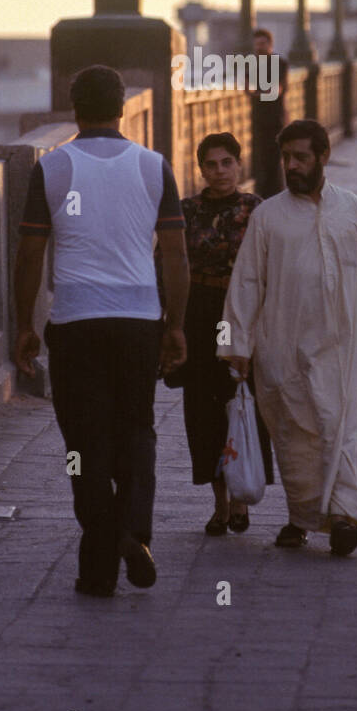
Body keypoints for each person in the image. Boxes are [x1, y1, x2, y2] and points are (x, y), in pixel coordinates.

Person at [13, 65, 189, 597]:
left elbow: (30, 254)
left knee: (82, 443)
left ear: (74, 110)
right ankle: (131, 531)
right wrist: (175, 325)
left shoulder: (54, 167)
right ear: (120, 109)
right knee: (138, 431)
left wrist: (25, 325)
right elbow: (177, 257)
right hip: (138, 321)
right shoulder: (155, 167)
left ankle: (99, 567)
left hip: (76, 322)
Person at [220, 119, 357, 557]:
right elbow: (246, 284)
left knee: (344, 429)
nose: (291, 166)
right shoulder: (268, 217)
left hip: (343, 348)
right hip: (282, 348)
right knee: (296, 438)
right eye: (286, 158)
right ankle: (302, 517)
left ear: (323, 157)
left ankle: (346, 517)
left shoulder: (352, 209)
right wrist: (237, 345)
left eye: (300, 157)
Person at [160, 131, 274, 534]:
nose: (220, 171)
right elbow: (167, 263)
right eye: (211, 164)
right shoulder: (186, 210)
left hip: (241, 313)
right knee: (203, 410)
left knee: (242, 404)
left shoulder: (256, 210)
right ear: (200, 169)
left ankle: (243, 499)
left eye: (227, 162)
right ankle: (220, 503)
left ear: (239, 165)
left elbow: (269, 269)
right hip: (198, 313)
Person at [251, 27, 289, 198]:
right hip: (258, 118)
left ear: (270, 45)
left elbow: (277, 91)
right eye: (257, 44)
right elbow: (246, 87)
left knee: (274, 159)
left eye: (262, 44)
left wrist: (257, 94)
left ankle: (276, 194)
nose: (259, 47)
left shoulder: (279, 63)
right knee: (260, 159)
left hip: (276, 118)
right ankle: (263, 195)